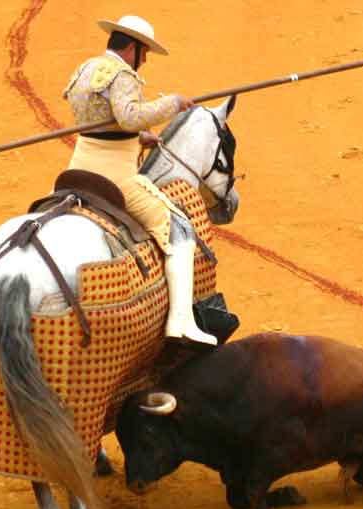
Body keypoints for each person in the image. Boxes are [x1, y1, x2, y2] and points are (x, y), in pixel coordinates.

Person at [62, 15, 216, 347]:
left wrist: (137, 137)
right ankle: (181, 323)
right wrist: (172, 104)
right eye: (143, 53)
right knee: (179, 228)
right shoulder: (123, 75)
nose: (144, 61)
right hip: (114, 174)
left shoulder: (86, 69)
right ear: (131, 48)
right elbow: (128, 116)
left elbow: (100, 121)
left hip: (78, 166)